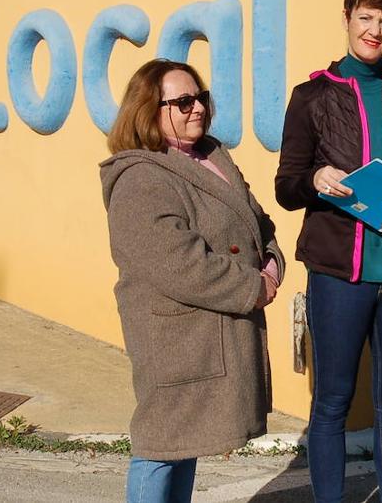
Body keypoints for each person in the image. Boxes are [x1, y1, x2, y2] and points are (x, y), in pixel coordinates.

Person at [274, 0, 382, 503]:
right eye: (365, 17)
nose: (375, 29)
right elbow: (286, 187)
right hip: (339, 272)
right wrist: (315, 179)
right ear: (347, 19)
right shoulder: (312, 96)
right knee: (332, 404)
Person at [100, 59, 285, 503]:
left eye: (200, 97)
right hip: (176, 340)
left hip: (211, 334)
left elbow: (257, 223)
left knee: (186, 448)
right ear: (149, 110)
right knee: (160, 447)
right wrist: (252, 287)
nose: (197, 108)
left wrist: (273, 264)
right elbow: (180, 263)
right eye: (182, 101)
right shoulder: (140, 177)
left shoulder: (212, 156)